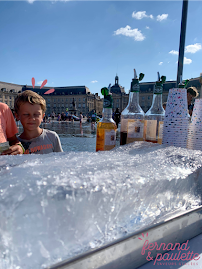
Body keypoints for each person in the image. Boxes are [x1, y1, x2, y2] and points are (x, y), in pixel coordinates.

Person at [14, 90, 63, 154]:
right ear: (17, 116)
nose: (32, 118)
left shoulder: (52, 137)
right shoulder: (15, 145)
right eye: (26, 114)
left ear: (42, 116)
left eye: (36, 114)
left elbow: (60, 161)